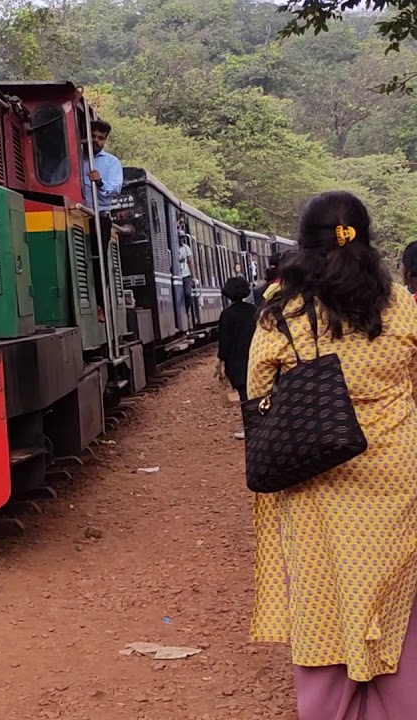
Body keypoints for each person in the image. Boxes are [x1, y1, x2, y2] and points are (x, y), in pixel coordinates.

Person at [247, 190, 417, 720]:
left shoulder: (284, 312)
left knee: (323, 605)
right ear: (364, 240)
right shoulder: (400, 305)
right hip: (397, 477)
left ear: (303, 246)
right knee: (398, 607)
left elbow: (257, 389)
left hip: (315, 476)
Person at [81, 119, 123, 244]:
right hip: (76, 213)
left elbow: (116, 188)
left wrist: (100, 182)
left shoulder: (112, 162)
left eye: (100, 138)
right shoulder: (74, 158)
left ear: (105, 140)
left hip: (99, 216)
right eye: (93, 136)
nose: (96, 140)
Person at [217, 276, 257, 402]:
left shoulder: (226, 314)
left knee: (244, 397)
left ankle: (249, 419)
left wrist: (222, 362)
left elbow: (224, 342)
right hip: (255, 359)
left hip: (236, 365)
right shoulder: (254, 311)